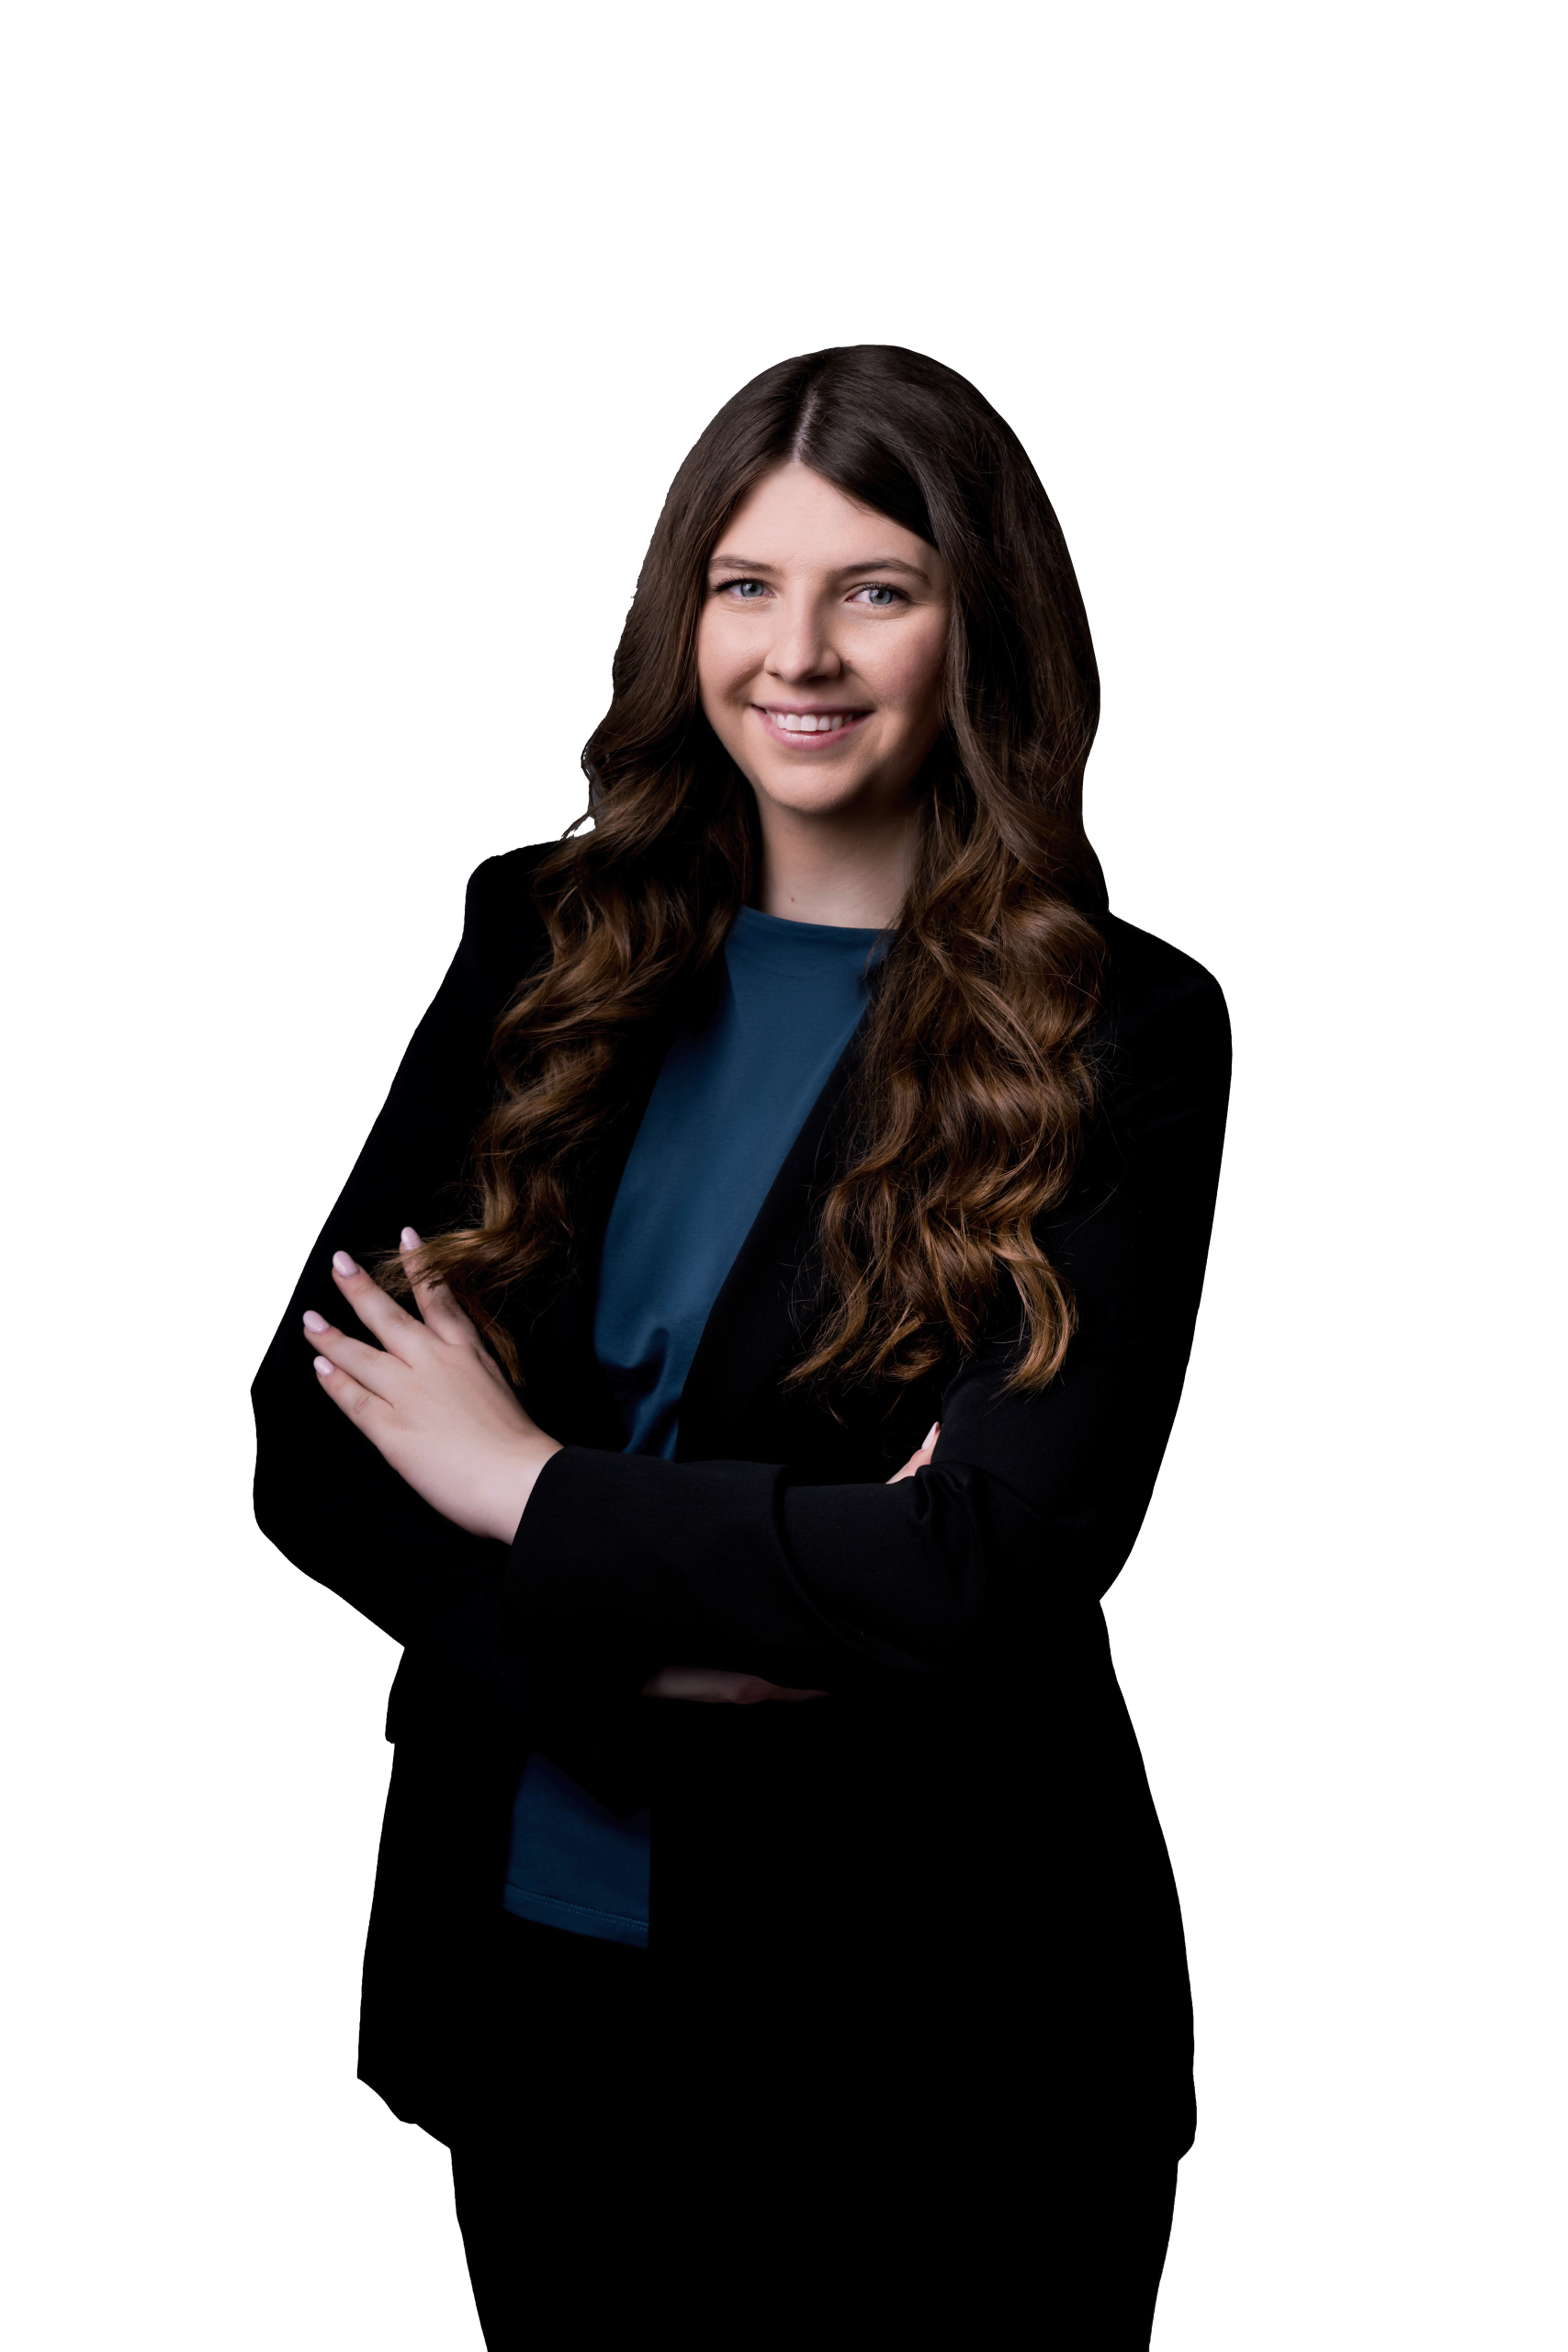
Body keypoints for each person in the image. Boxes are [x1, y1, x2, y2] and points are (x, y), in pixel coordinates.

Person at [252, 344, 1230, 2347]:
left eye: (878, 584)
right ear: (678, 611)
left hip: (935, 2027)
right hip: (527, 1978)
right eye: (743, 581)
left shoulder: (1125, 1029)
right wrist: (693, 1604)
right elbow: (311, 1434)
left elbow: (976, 1570)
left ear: (983, 622)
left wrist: (524, 1486)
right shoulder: (539, 941)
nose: (801, 650)